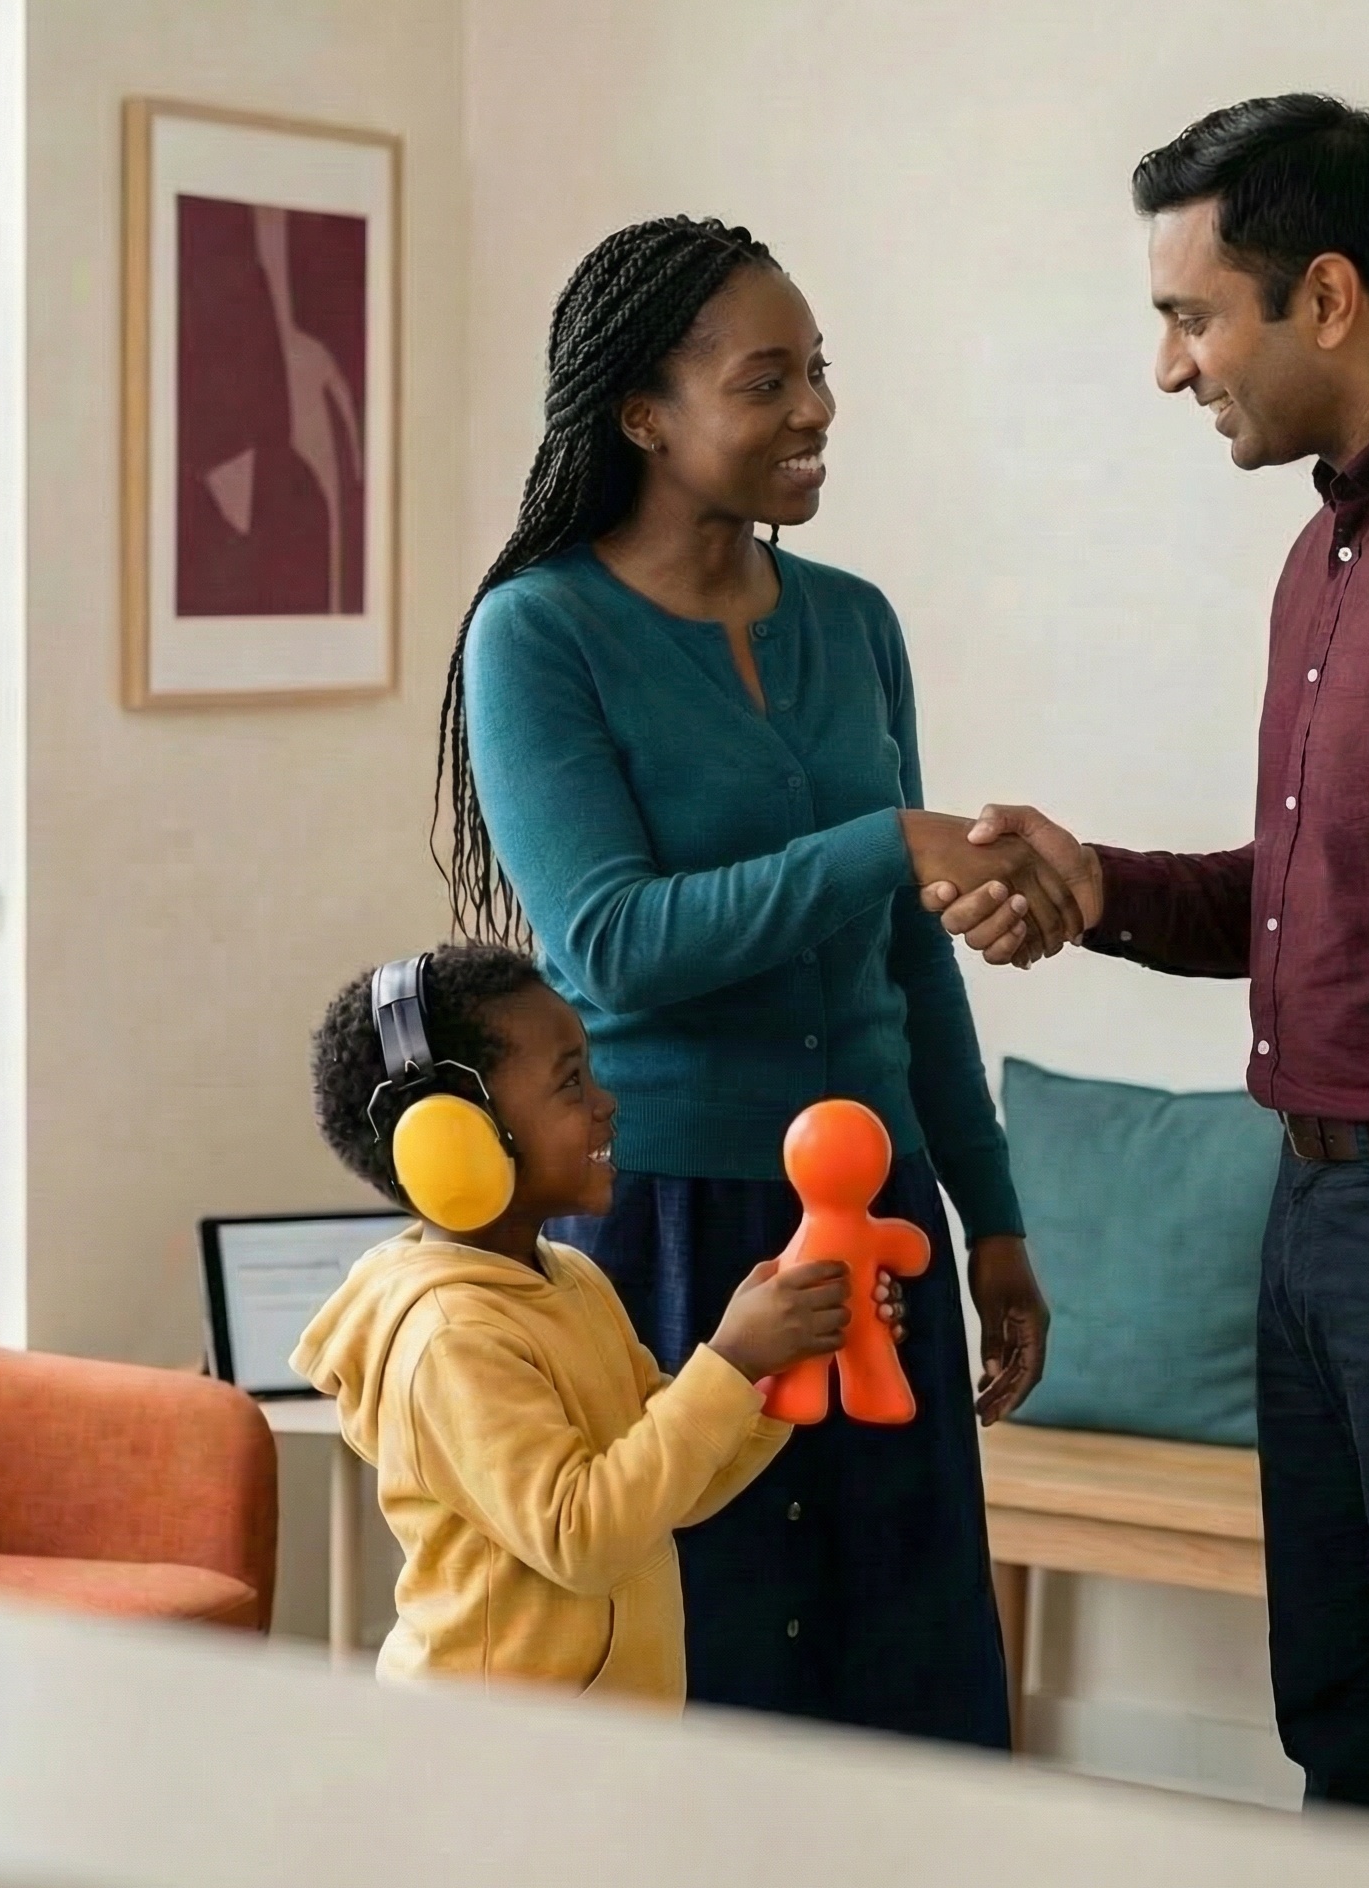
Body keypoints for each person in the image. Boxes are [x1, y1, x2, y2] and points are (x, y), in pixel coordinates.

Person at [935, 96, 1369, 1846]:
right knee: (1345, 1727)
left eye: (1191, 316)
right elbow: (1331, 897)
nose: (1170, 369)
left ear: (1322, 295)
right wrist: (1094, 888)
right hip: (1318, 1210)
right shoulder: (1334, 542)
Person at [444, 216, 1069, 1745]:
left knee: (905, 1668)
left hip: (880, 1227)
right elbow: (612, 944)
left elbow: (912, 950)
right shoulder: (536, 634)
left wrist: (986, 1216)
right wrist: (882, 843)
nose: (815, 411)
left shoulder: (855, 624)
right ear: (644, 415)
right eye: (766, 379)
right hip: (666, 1226)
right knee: (702, 1672)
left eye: (820, 372)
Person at [297, 941, 897, 1707]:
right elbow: (583, 1539)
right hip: (498, 1758)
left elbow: (669, 1491)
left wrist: (778, 1365)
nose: (604, 1101)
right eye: (570, 1082)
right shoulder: (450, 1339)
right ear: (454, 1141)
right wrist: (733, 1360)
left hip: (602, 1738)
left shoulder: (570, 1277)